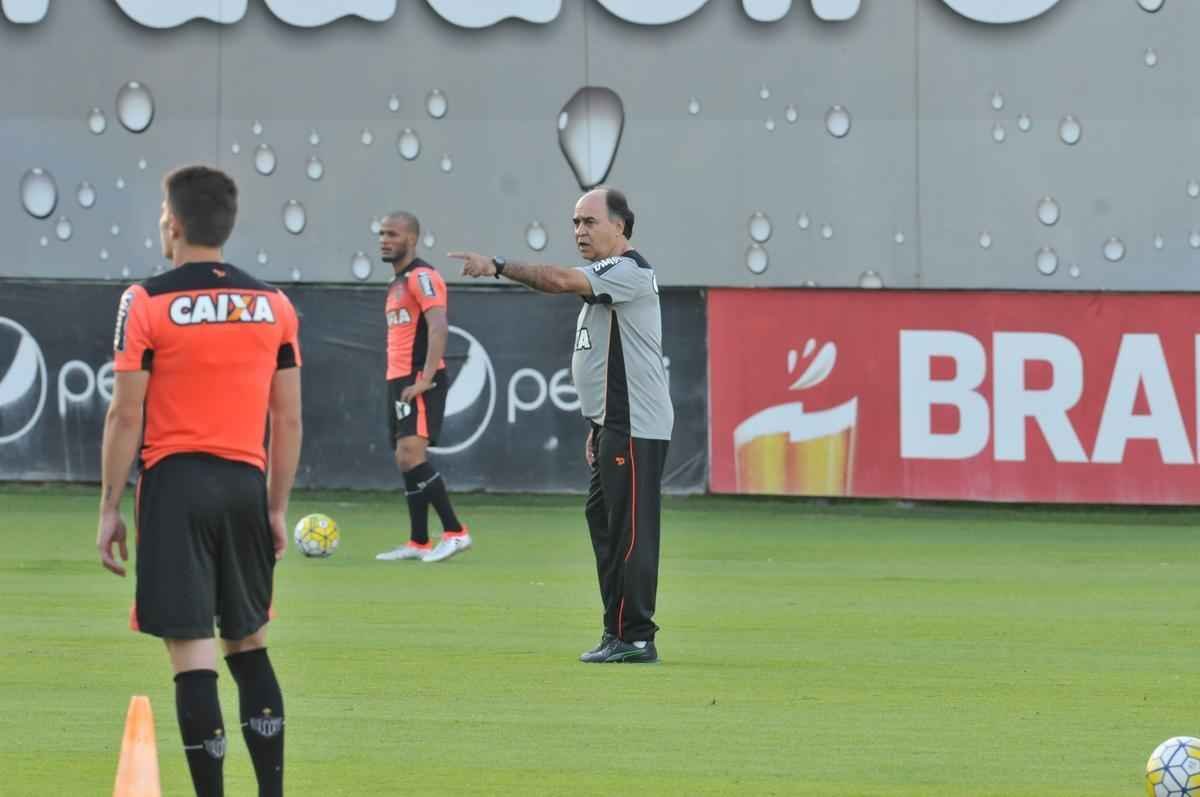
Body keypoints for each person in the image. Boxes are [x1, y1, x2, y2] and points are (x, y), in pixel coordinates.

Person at [96, 164, 302, 797]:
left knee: (192, 655)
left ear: (174, 221)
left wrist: (109, 508)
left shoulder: (145, 300)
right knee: (250, 644)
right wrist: (274, 508)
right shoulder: (273, 305)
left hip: (175, 486)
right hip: (245, 483)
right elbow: (288, 418)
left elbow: (126, 412)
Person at [451, 187, 673, 663]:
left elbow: (555, 279)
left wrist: (497, 265)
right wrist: (596, 425)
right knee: (606, 524)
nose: (579, 231)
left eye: (589, 222)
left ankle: (636, 637)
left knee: (630, 531)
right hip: (615, 423)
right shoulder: (606, 279)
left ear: (621, 226)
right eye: (575, 222)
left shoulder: (628, 270)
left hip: (636, 424)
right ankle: (618, 632)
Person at [373, 211, 471, 563]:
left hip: (418, 378)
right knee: (405, 459)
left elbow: (439, 325)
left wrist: (426, 378)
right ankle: (418, 541)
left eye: (393, 234)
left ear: (411, 239)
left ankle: (456, 532)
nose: (385, 239)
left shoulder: (422, 276)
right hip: (398, 378)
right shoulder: (397, 282)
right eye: (382, 233)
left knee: (413, 455)